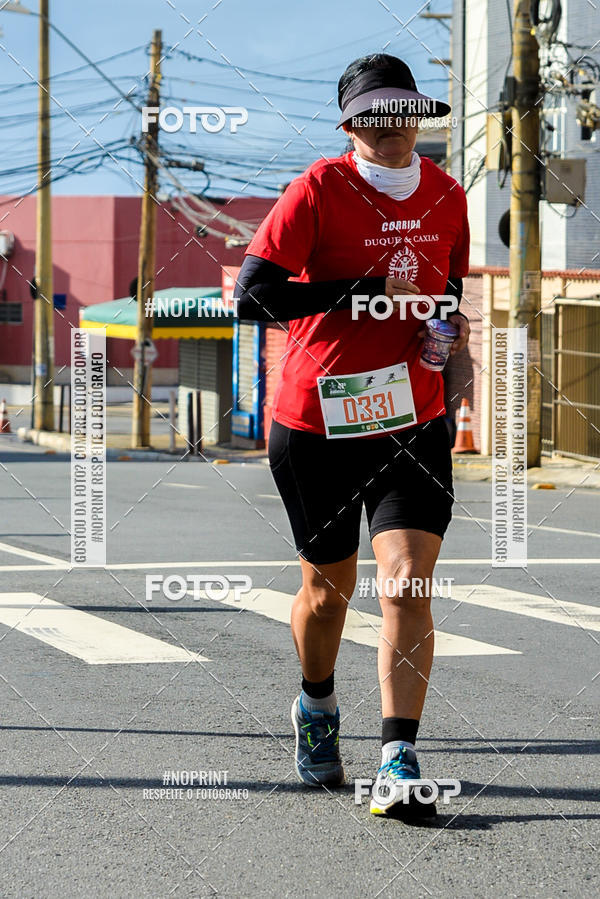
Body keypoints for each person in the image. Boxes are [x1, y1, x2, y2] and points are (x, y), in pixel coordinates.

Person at [235, 53, 470, 819]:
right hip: (318, 423)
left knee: (405, 580)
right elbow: (254, 297)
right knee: (327, 592)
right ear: (351, 125)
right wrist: (362, 292)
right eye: (374, 116)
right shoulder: (316, 190)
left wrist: (447, 337)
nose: (391, 128)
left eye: (403, 112)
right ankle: (316, 702)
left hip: (413, 416)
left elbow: (450, 286)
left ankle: (399, 755)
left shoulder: (449, 195)